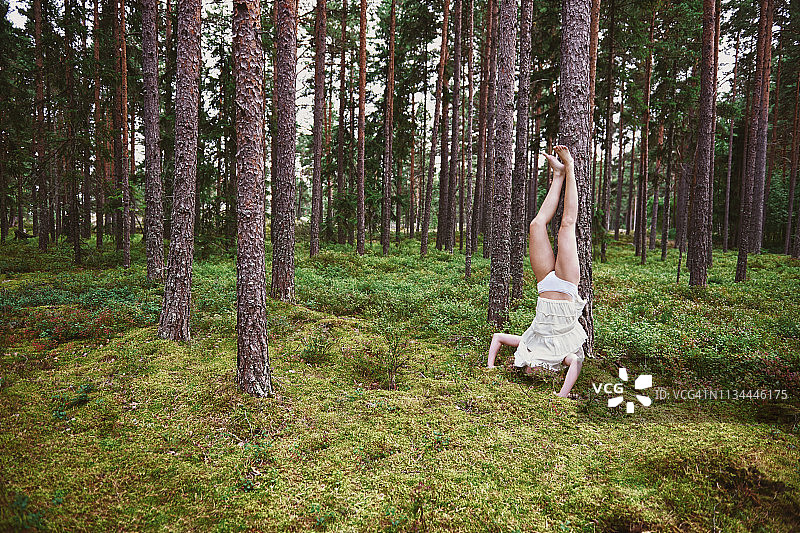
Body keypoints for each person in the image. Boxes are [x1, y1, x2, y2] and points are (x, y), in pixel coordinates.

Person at [486, 145, 587, 399]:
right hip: (566, 286)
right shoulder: (560, 357)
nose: (531, 369)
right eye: (534, 371)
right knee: (566, 226)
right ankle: (570, 168)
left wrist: (490, 368)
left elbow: (497, 337)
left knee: (536, 224)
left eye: (527, 369)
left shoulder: (527, 345)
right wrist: (561, 396)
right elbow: (576, 363)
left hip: (544, 285)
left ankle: (558, 175)